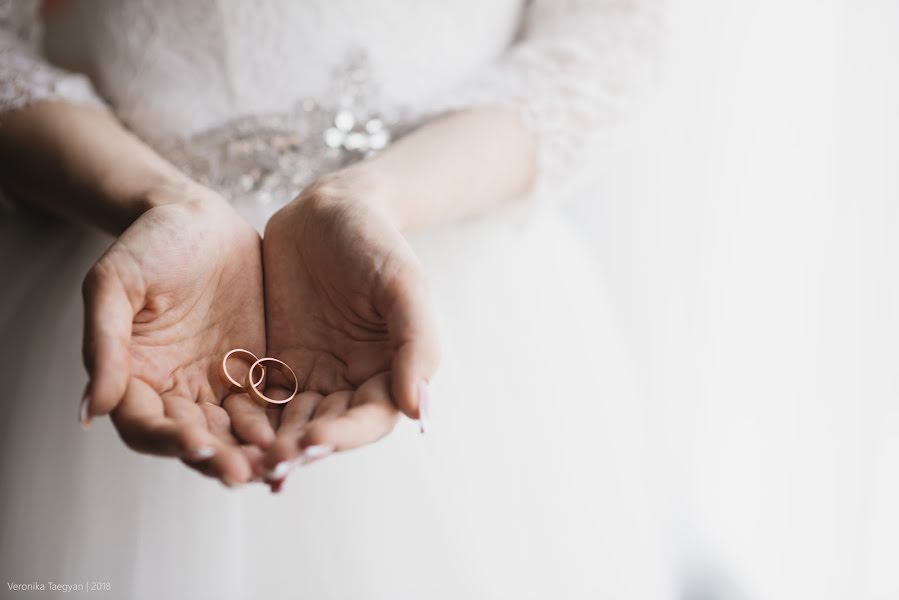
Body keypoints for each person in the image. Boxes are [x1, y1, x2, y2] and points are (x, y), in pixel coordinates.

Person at [0, 1, 669, 598]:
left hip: (453, 257)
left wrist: (378, 198)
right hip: (128, 250)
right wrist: (154, 198)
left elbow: (610, 39)